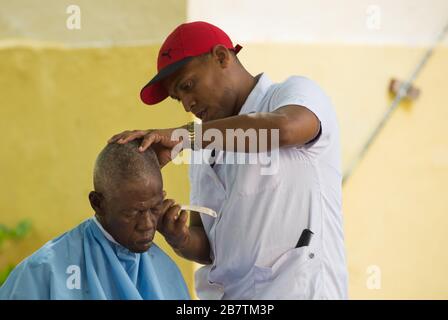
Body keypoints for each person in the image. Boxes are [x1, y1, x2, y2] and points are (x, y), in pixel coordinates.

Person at [109, 21, 348, 299]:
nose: (187, 104)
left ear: (222, 57)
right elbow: (210, 247)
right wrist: (180, 238)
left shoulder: (291, 93)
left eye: (188, 86)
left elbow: (286, 128)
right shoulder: (204, 147)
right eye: (178, 98)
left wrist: (184, 136)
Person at [0, 140, 190, 300]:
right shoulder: (45, 270)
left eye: (155, 208)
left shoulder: (165, 270)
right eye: (132, 213)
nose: (148, 224)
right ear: (97, 203)